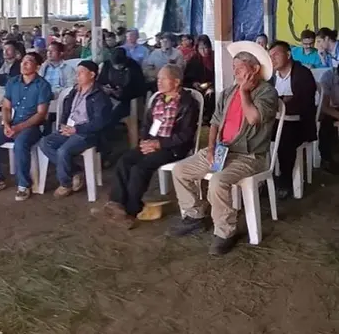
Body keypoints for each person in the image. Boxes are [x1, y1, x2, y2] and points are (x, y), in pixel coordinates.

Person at [167, 44, 278, 256]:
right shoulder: (228, 92)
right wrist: (210, 148)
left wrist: (244, 92)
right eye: (234, 67)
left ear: (255, 69)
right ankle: (195, 215)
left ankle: (225, 232)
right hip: (222, 149)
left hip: (249, 155)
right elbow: (215, 122)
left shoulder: (267, 92)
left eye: (239, 67)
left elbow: (253, 118)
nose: (235, 72)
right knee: (180, 170)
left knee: (218, 181)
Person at [99, 64, 200, 226]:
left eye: (164, 79)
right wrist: (145, 141)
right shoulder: (158, 99)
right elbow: (147, 124)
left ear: (176, 82)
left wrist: (159, 144)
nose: (159, 82)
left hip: (173, 148)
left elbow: (185, 135)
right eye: (158, 78)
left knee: (140, 168)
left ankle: (131, 211)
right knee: (125, 161)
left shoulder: (187, 103)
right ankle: (116, 204)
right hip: (152, 143)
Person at [0, 52, 53, 199]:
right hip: (13, 124)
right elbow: (6, 107)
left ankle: (24, 185)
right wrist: (6, 124)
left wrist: (18, 128)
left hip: (33, 127)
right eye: (23, 61)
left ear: (37, 67)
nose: (24, 64)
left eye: (28, 62)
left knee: (21, 143)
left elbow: (41, 114)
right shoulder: (13, 82)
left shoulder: (43, 85)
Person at [37, 61, 113, 197]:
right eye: (77, 72)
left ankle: (65, 184)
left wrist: (76, 129)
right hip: (70, 128)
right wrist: (62, 124)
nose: (77, 75)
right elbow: (66, 110)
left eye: (81, 72)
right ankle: (75, 171)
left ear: (92, 75)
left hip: (87, 133)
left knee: (63, 151)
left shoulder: (100, 96)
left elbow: (99, 122)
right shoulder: (74, 91)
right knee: (44, 142)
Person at [268, 41, 317, 199]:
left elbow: (302, 103)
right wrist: (283, 101)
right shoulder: (270, 77)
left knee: (285, 136)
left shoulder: (303, 74)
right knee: (255, 132)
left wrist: (280, 103)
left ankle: (285, 180)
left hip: (300, 123)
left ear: (288, 54)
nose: (272, 59)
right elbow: (266, 100)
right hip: (276, 121)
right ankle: (263, 177)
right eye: (270, 56)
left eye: (276, 55)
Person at [98, 47, 146, 126]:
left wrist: (122, 93)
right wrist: (104, 88)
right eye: (115, 65)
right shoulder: (106, 65)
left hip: (127, 101)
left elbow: (140, 89)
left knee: (112, 115)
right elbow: (100, 82)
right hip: (108, 97)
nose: (118, 68)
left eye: (120, 65)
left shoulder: (134, 66)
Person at [185, 35, 216, 122]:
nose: (204, 51)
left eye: (206, 48)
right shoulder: (194, 60)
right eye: (201, 48)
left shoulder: (215, 57)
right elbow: (187, 78)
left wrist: (211, 85)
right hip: (198, 87)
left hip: (212, 86)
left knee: (211, 95)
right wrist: (194, 83)